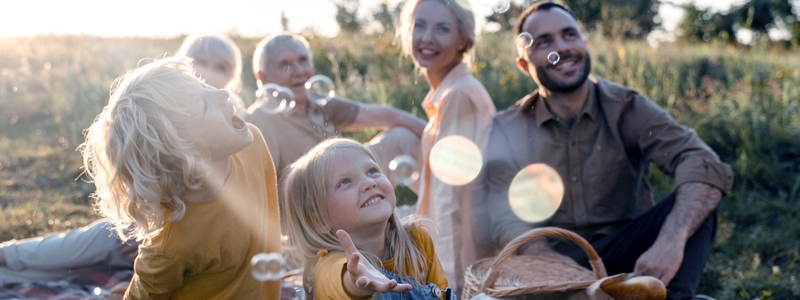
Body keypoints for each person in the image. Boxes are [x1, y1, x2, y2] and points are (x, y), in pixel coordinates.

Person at [473, 2, 734, 299]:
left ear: (584, 44)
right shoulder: (507, 128)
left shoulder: (627, 107)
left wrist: (669, 242)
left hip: (629, 254)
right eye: (544, 42)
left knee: (697, 196)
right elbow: (503, 214)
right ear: (524, 64)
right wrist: (541, 254)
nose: (563, 47)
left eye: (570, 35)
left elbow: (703, 162)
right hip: (558, 266)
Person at [80, 57, 281, 298]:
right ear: (187, 152)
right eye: (205, 105)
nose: (222, 94)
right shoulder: (171, 246)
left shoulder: (253, 146)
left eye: (204, 86)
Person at [396, 0, 497, 294]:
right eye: (420, 25)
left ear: (462, 41)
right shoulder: (447, 94)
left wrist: (448, 283)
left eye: (442, 29)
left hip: (465, 252)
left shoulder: (458, 96)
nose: (427, 37)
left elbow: (449, 198)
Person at [282, 138, 453, 299]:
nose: (368, 183)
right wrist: (355, 283)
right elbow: (339, 281)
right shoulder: (327, 266)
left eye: (372, 171)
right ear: (319, 219)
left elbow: (443, 293)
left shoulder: (416, 239)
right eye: (345, 182)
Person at [246, 34, 426, 187]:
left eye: (303, 60)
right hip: (314, 210)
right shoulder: (262, 119)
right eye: (285, 65)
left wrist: (438, 136)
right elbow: (259, 190)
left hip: (348, 184)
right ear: (263, 77)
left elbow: (382, 116)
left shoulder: (316, 102)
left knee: (403, 137)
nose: (299, 71)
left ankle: (442, 207)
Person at [175, 33, 247, 118]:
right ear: (185, 63)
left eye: (220, 68)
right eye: (202, 63)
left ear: (232, 75)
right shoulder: (170, 105)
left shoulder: (239, 118)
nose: (209, 74)